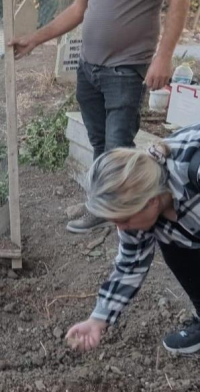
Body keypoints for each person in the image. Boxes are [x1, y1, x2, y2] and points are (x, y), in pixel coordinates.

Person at [10, 0, 190, 234]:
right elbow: (78, 10)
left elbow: (179, 0)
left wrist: (163, 57)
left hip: (126, 71)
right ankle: (104, 202)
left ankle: (116, 216)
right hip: (89, 69)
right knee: (98, 143)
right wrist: (35, 38)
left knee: (116, 146)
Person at [65, 123, 200, 354]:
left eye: (124, 220)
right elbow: (130, 264)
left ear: (152, 202)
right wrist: (98, 319)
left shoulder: (192, 169)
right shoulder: (142, 202)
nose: (121, 228)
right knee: (173, 245)